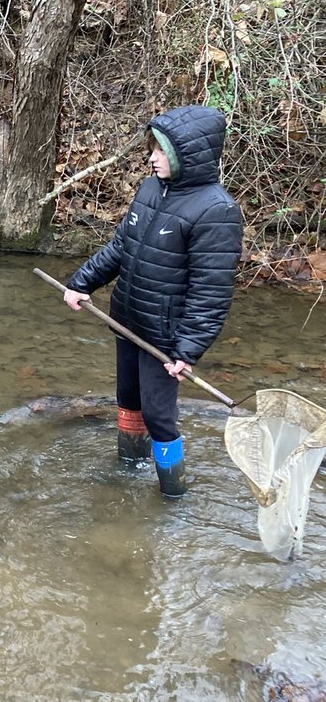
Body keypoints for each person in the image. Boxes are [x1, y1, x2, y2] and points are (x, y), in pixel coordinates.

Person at [62, 104, 243, 499]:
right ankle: (128, 467)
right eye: (153, 149)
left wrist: (188, 350)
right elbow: (121, 248)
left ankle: (172, 495)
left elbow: (211, 292)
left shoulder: (217, 211)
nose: (152, 157)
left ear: (187, 154)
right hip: (127, 318)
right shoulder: (150, 188)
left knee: (160, 417)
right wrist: (82, 282)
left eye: (161, 151)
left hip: (165, 337)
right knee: (128, 400)